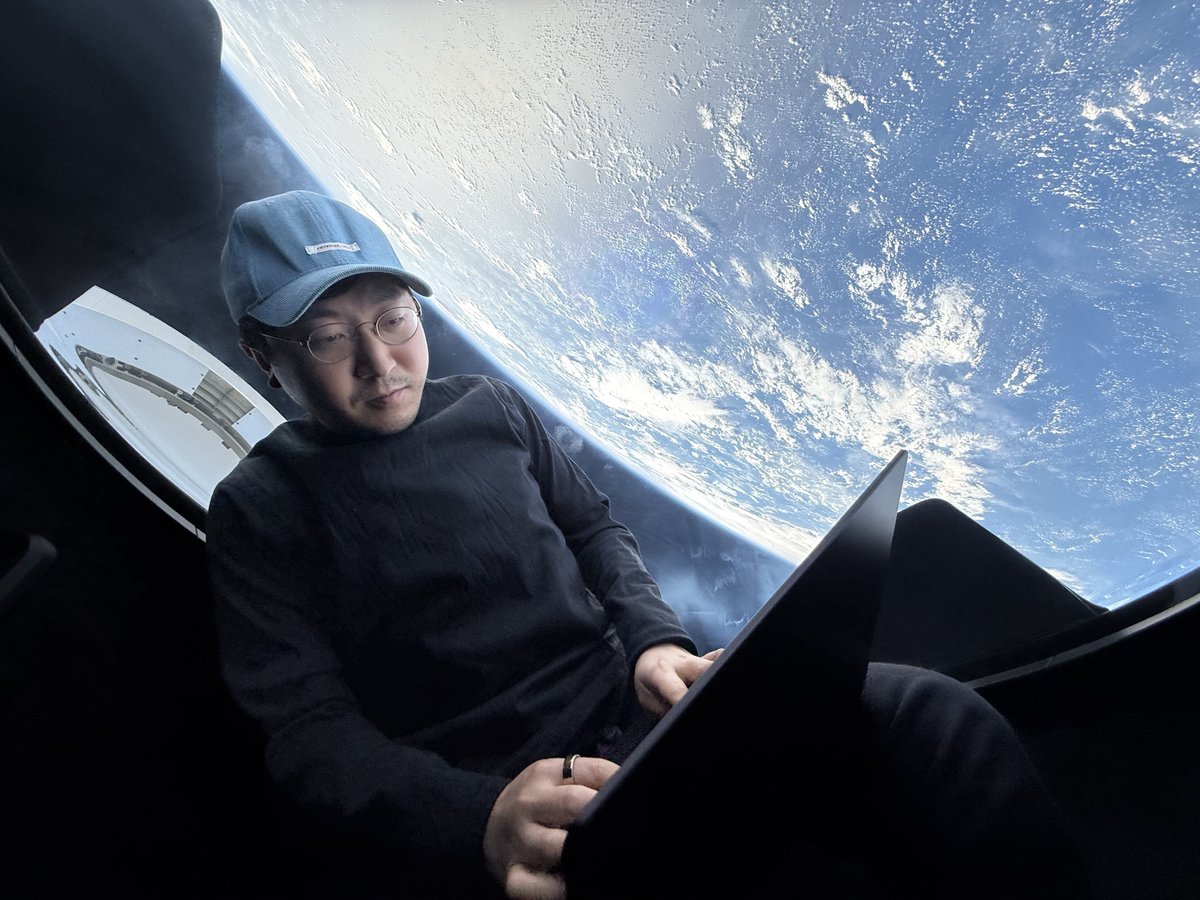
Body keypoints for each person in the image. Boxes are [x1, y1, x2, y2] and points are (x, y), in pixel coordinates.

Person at [207, 190, 1092, 899]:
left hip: (636, 713)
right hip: (514, 785)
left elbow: (595, 529)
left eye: (394, 318)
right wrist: (479, 819)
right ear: (261, 355)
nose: (380, 362)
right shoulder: (257, 509)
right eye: (329, 337)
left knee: (928, 716)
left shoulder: (491, 408)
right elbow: (309, 736)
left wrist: (654, 641)